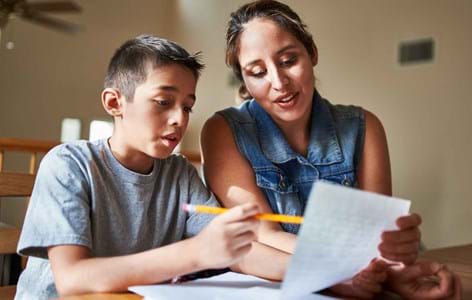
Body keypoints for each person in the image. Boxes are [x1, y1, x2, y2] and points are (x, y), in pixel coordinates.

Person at [201, 1, 461, 299]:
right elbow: (262, 235)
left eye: (288, 61)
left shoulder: (364, 126)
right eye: (258, 71)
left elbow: (377, 239)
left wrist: (394, 258)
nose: (279, 82)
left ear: (312, 53)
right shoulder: (223, 131)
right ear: (244, 79)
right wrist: (347, 266)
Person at [15, 35, 260, 299]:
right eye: (163, 102)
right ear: (114, 103)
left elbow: (241, 251)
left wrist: (307, 267)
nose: (180, 118)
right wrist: (195, 253)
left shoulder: (180, 174)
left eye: (187, 107)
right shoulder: (67, 164)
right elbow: (73, 279)